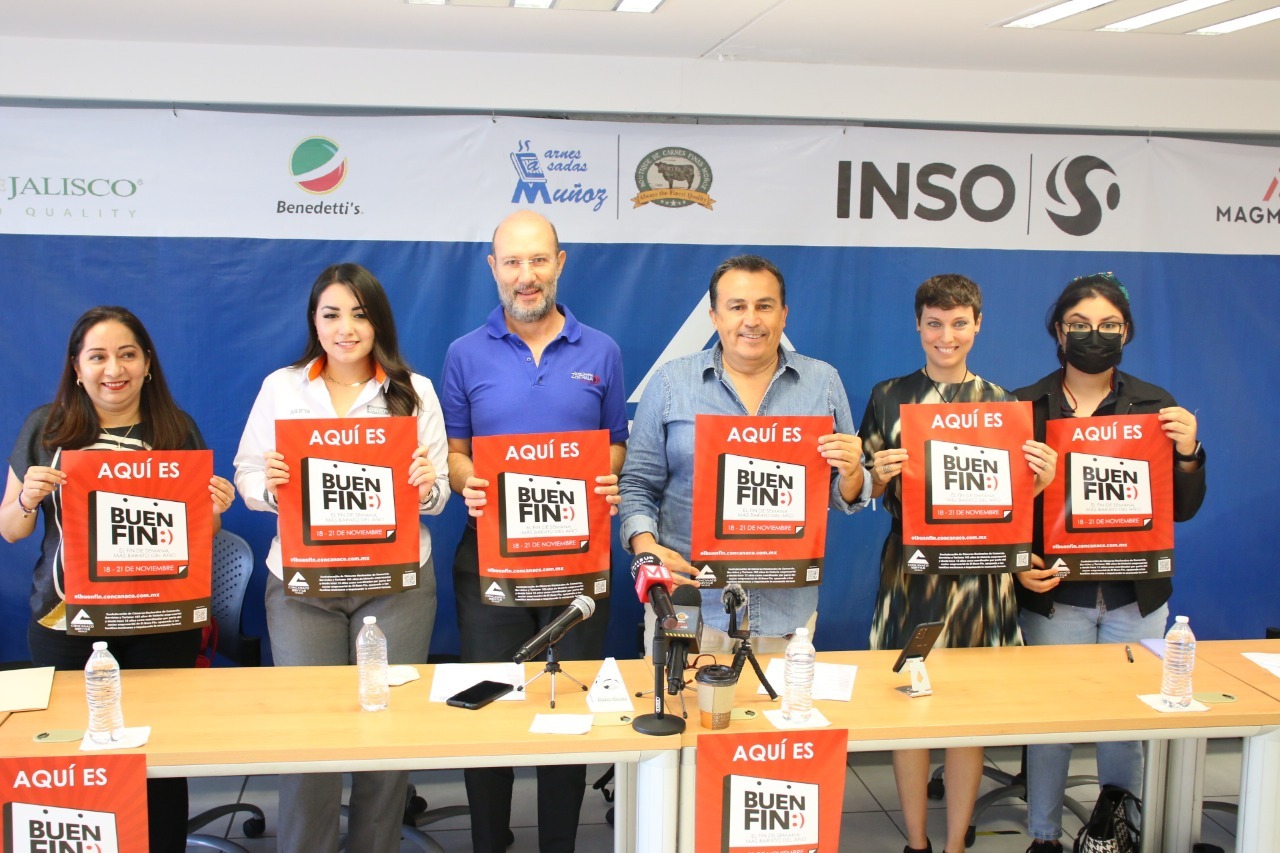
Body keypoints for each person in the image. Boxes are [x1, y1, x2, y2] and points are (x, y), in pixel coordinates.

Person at [1, 305, 236, 853]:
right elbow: (10, 529)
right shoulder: (46, 428)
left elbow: (199, 533)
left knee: (161, 761)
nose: (114, 369)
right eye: (98, 356)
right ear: (77, 367)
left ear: (147, 363)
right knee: (72, 761)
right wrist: (28, 498)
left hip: (161, 621)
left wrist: (214, 508)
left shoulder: (175, 428)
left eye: (127, 354)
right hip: (65, 623)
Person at [233, 263, 449, 853]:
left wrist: (426, 484)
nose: (345, 328)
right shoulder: (283, 388)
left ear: (378, 323)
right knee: (309, 737)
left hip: (396, 582)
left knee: (386, 731)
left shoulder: (414, 391)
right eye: (331, 314)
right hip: (304, 583)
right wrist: (271, 485)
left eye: (359, 314)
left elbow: (437, 498)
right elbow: (247, 475)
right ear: (314, 321)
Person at [439, 209, 627, 853]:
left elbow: (616, 445)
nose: (527, 275)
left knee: (564, 706)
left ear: (559, 264)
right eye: (513, 262)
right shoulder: (464, 353)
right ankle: (489, 841)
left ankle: (558, 845)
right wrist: (466, 479)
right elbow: (455, 452)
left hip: (577, 560)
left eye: (539, 260)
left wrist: (605, 473)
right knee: (488, 703)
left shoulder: (601, 350)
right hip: (490, 558)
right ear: (494, 268)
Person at [860, 274, 1057, 853]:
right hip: (912, 573)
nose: (946, 336)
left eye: (958, 324)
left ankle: (953, 846)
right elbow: (861, 489)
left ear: (978, 325)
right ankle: (916, 842)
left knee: (970, 710)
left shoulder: (1003, 404)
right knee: (908, 703)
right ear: (918, 325)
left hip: (982, 576)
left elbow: (1012, 505)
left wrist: (1041, 482)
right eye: (934, 324)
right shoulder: (889, 396)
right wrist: (877, 476)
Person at [1013, 272, 1205, 853]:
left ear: (1127, 332)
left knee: (1126, 720)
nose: (1093, 335)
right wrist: (1018, 564)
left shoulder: (1156, 405)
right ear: (1058, 331)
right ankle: (1045, 836)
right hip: (1055, 592)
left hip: (1134, 595)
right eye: (1080, 325)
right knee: (1052, 721)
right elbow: (1004, 508)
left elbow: (1183, 507)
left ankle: (1119, 832)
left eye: (1108, 325)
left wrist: (1190, 452)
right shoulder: (1024, 405)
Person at [618, 253, 869, 656]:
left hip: (788, 615)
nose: (751, 320)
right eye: (737, 307)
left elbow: (843, 492)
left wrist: (853, 471)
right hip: (692, 605)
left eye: (764, 306)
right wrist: (645, 546)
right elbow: (637, 484)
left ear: (783, 315)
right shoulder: (670, 383)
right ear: (715, 317)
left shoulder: (822, 383)